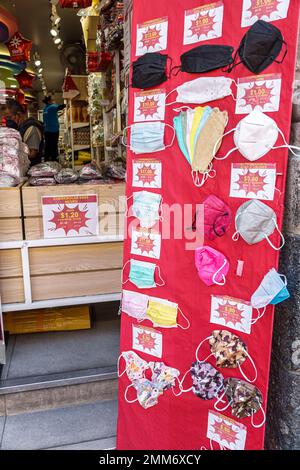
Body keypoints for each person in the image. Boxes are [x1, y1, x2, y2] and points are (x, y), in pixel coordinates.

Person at [5, 99, 44, 166]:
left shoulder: (32, 128)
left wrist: (10, 155)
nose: (8, 121)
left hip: (30, 170)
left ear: (18, 115)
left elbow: (32, 154)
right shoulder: (20, 127)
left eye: (9, 117)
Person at [43, 96, 66, 161]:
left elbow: (51, 117)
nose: (53, 101)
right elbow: (61, 106)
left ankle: (46, 161)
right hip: (53, 131)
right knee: (54, 147)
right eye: (52, 100)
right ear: (49, 101)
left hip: (47, 130)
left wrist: (60, 115)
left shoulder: (46, 108)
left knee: (47, 147)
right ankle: (54, 161)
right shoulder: (52, 107)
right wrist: (68, 103)